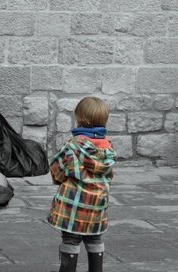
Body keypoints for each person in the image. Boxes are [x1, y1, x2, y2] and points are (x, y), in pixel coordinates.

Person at [47, 97, 116, 272]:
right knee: (94, 239)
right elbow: (109, 173)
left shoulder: (74, 146)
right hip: (98, 206)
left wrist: (62, 178)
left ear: (80, 118)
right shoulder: (108, 147)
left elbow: (57, 169)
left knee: (71, 240)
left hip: (74, 206)